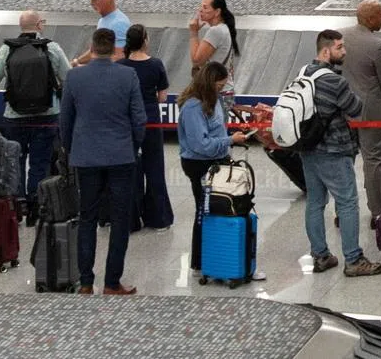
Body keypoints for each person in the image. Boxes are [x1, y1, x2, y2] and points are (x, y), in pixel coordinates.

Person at [59, 28, 145, 295]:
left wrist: (74, 149)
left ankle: (85, 281)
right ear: (114, 48)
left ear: (92, 47)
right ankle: (111, 282)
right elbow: (139, 119)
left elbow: (66, 120)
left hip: (86, 157)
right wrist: (132, 147)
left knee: (88, 218)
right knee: (120, 219)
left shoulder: (74, 76)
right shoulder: (128, 75)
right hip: (121, 156)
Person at [295, 30, 381, 277]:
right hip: (334, 149)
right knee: (347, 203)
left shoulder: (303, 73)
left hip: (308, 148)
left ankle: (320, 255)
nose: (344, 52)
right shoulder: (335, 81)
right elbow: (355, 108)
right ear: (326, 51)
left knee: (315, 202)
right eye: (340, 47)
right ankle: (354, 259)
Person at [0, 9, 71, 221]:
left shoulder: (6, 50)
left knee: (15, 160)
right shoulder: (51, 48)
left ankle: (17, 207)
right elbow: (68, 78)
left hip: (14, 117)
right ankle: (37, 206)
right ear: (39, 25)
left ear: (21, 27)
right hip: (47, 116)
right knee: (40, 161)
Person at [176, 62, 251, 275]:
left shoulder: (213, 100)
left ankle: (220, 256)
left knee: (221, 208)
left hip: (217, 161)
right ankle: (200, 261)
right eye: (219, 86)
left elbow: (215, 132)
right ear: (209, 84)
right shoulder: (192, 107)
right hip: (200, 165)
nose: (221, 90)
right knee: (204, 210)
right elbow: (200, 145)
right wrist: (229, 140)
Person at [341, 1, 381, 224]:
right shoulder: (378, 45)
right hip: (370, 110)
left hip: (342, 107)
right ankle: (376, 212)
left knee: (344, 159)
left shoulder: (339, 36)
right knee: (372, 160)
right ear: (371, 19)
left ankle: (342, 210)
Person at [118, 24, 172, 232]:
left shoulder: (122, 66)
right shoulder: (156, 64)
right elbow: (162, 96)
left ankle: (130, 218)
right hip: (151, 120)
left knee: (129, 168)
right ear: (145, 40)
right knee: (155, 168)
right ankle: (159, 218)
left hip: (129, 122)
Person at [187, 0, 239, 110]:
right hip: (225, 89)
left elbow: (196, 60)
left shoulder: (215, 31)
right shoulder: (224, 29)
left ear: (217, 12)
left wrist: (194, 32)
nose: (200, 10)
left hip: (215, 92)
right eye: (201, 6)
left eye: (205, 7)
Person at [74, 0, 130, 64]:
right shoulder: (102, 20)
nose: (92, 3)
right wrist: (76, 62)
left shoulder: (119, 23)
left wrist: (87, 69)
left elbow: (120, 58)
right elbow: (95, 51)